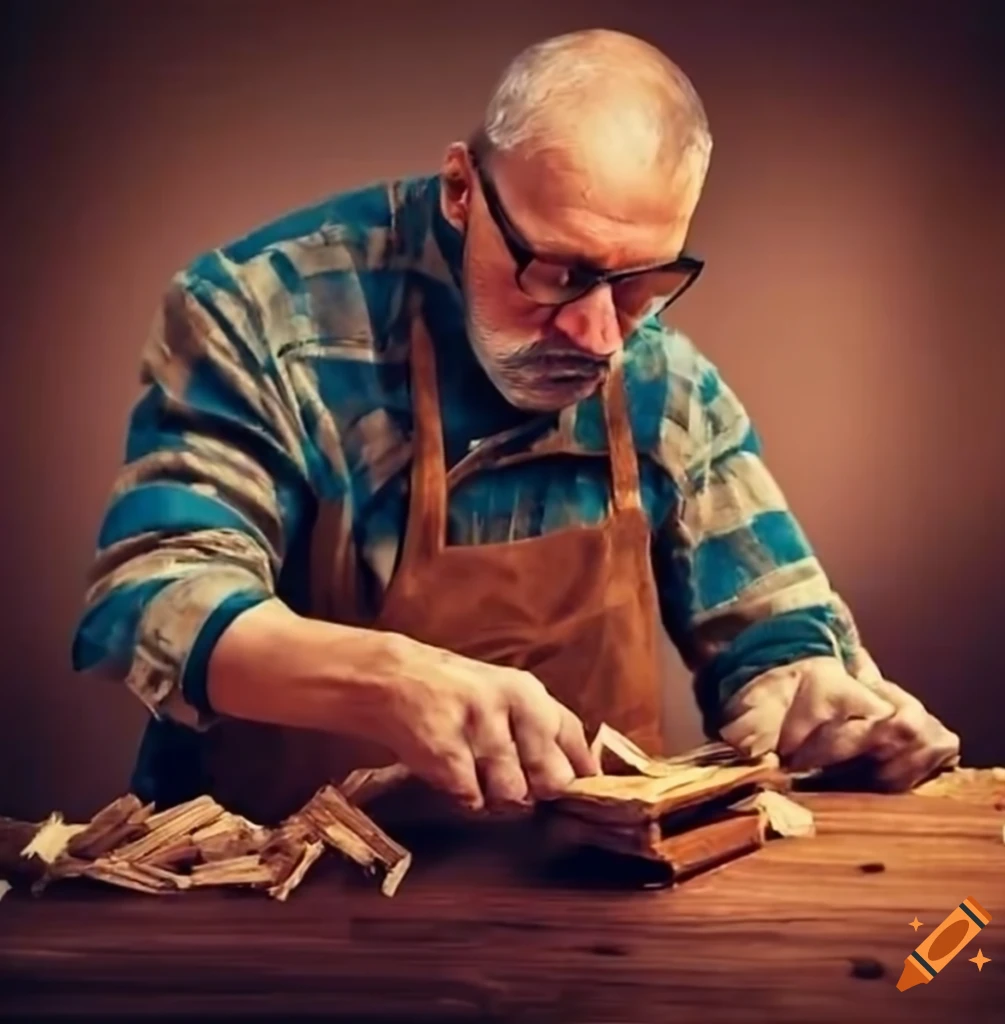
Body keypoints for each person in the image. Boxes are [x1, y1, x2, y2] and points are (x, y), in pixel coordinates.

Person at [71, 28, 959, 823]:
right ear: (462, 190)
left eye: (642, 282)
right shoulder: (263, 315)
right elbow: (153, 600)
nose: (601, 335)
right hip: (268, 902)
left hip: (572, 918)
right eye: (559, 272)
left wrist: (817, 702)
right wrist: (391, 681)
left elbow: (778, 638)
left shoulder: (661, 376)